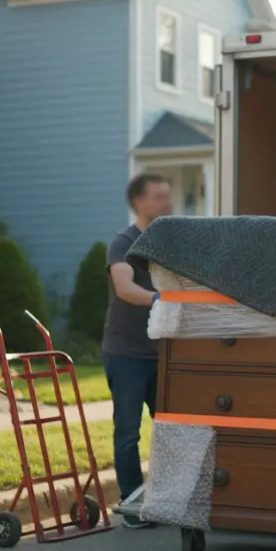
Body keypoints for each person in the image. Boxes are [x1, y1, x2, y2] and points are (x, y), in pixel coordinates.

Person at [102, 173, 172, 528]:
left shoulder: (168, 243)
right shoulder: (124, 243)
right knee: (128, 432)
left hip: (164, 355)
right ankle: (132, 502)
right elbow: (125, 288)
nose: (167, 203)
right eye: (159, 197)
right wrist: (162, 299)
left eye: (167, 196)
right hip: (127, 354)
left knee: (171, 428)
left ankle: (164, 498)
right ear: (139, 202)